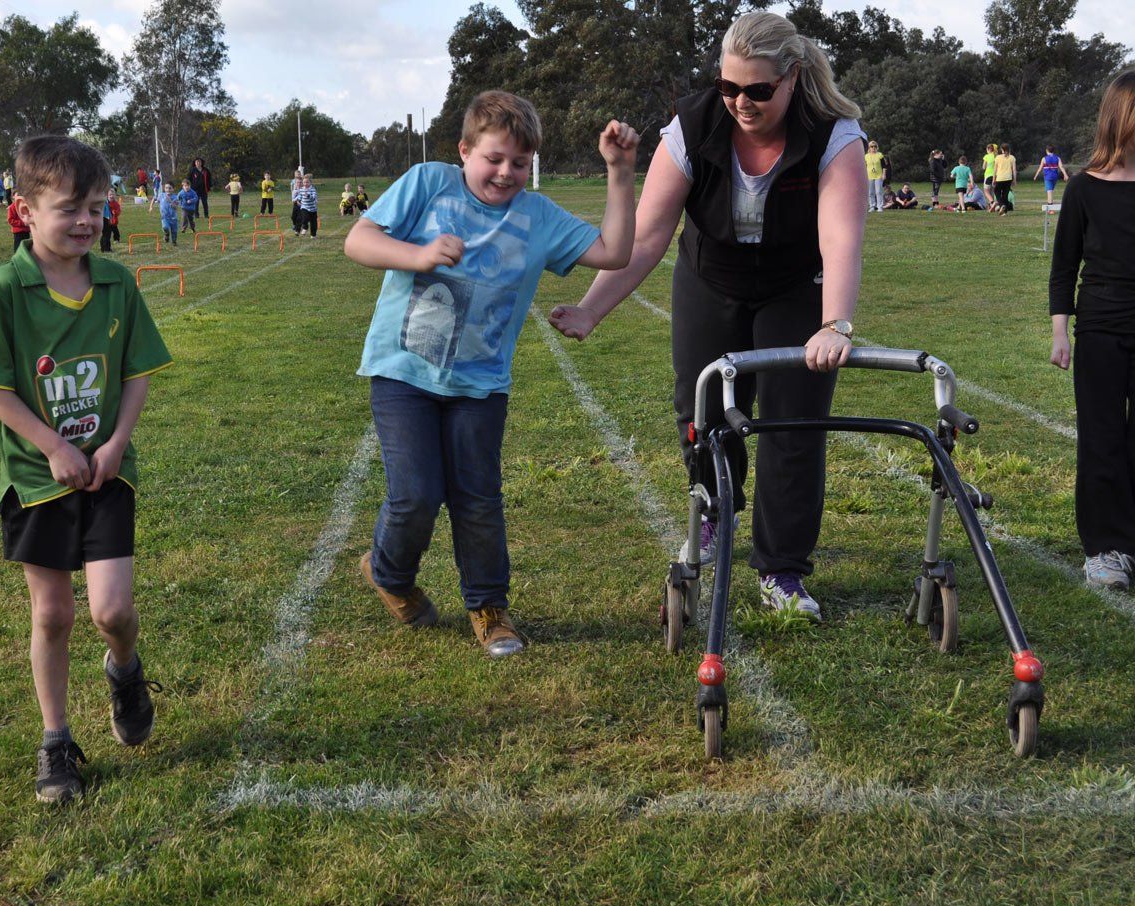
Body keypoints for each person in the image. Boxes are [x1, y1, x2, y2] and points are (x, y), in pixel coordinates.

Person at [548, 11, 866, 619]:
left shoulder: (833, 134)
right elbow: (646, 239)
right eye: (728, 87)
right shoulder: (691, 126)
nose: (739, 102)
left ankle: (783, 569)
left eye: (757, 90)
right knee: (701, 407)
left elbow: (842, 240)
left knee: (793, 424)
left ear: (792, 78)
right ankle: (716, 510)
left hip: (795, 285)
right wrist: (592, 310)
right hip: (710, 276)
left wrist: (835, 323)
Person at [345, 90, 639, 656]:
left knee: (478, 499)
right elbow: (359, 239)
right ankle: (389, 572)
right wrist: (418, 255)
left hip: (480, 386)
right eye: (494, 159)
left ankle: (488, 607)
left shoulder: (537, 216)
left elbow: (614, 251)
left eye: (520, 164)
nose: (506, 173)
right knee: (414, 496)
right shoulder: (429, 182)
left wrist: (621, 172)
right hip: (404, 373)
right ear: (463, 151)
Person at [0, 134, 173, 803]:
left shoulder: (117, 284)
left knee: (111, 610)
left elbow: (137, 372)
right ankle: (56, 743)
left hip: (108, 474)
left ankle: (125, 669)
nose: (86, 220)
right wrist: (52, 446)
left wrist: (114, 446)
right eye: (69, 207)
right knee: (52, 615)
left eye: (98, 206)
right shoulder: (4, 290)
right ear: (24, 209)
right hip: (35, 479)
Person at [1049, 69, 1135, 589]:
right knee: (1102, 440)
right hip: (1100, 328)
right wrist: (1062, 332)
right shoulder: (1083, 189)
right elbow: (1064, 267)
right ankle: (1107, 550)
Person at [994, 143, 1018, 213]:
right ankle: (1005, 211)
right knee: (1005, 194)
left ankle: (1002, 205)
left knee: (996, 192)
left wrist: (993, 179)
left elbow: (995, 170)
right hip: (1008, 178)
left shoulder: (998, 157)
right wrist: (1014, 180)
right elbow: (1014, 169)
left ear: (1002, 150)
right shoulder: (1012, 158)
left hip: (1000, 178)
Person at [865, 140, 885, 211]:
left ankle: (880, 207)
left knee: (879, 192)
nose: (873, 148)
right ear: (869, 147)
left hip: (878, 176)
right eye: (871, 146)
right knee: (871, 192)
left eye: (875, 146)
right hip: (869, 176)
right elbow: (864, 166)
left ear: (877, 147)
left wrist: (884, 174)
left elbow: (884, 166)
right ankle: (872, 206)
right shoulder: (866, 156)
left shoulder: (880, 155)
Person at [290, 167, 304, 234]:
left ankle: (297, 230)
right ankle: (295, 225)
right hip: (296, 204)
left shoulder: (304, 189)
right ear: (296, 183)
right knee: (293, 217)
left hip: (302, 205)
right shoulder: (294, 191)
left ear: (302, 183)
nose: (299, 184)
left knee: (299, 217)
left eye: (300, 183)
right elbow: (293, 200)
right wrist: (297, 199)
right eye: (297, 183)